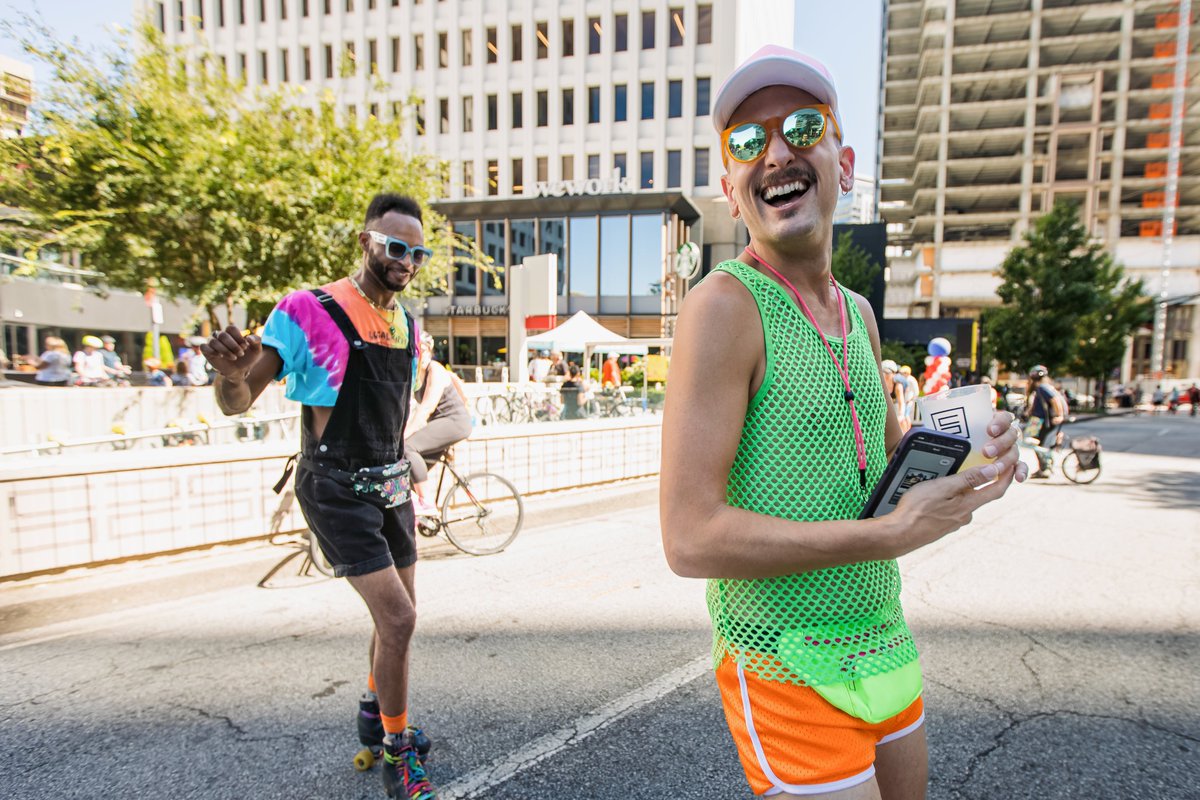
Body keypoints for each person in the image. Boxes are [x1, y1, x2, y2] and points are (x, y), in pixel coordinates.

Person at [659, 46, 1026, 800]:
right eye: (747, 142)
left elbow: (891, 460)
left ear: (845, 162)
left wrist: (978, 455)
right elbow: (689, 537)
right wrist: (880, 538)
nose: (777, 152)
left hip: (881, 640)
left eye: (802, 125)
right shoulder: (723, 307)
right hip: (783, 662)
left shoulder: (857, 314)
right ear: (732, 190)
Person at [200, 192, 438, 800]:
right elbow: (240, 397)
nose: (404, 261)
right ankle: (396, 753)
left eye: (416, 252)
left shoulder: (407, 324)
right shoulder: (309, 310)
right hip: (334, 487)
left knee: (397, 625)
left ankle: (373, 709)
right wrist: (229, 377)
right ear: (366, 242)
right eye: (393, 247)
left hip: (389, 485)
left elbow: (399, 411)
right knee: (400, 617)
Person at [404, 332, 472, 515]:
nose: (422, 355)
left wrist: (402, 437)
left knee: (407, 447)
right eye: (418, 351)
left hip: (454, 421)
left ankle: (426, 503)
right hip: (440, 422)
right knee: (406, 471)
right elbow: (411, 408)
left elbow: (425, 409)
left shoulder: (436, 370)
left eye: (426, 351)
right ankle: (415, 517)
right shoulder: (417, 375)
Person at [1023, 365, 1067, 479]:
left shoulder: (1043, 387)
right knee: (1036, 443)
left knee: (1035, 443)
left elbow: (1054, 400)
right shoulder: (1044, 387)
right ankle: (1044, 466)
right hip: (1037, 420)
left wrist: (1059, 415)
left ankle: (1045, 467)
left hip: (1040, 421)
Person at [880, 360, 910, 432]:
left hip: (898, 402)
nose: (885, 376)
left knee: (901, 419)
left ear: (893, 373)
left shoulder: (898, 385)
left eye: (888, 373)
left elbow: (901, 402)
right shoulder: (880, 383)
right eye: (883, 373)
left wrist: (901, 415)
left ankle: (904, 436)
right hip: (888, 403)